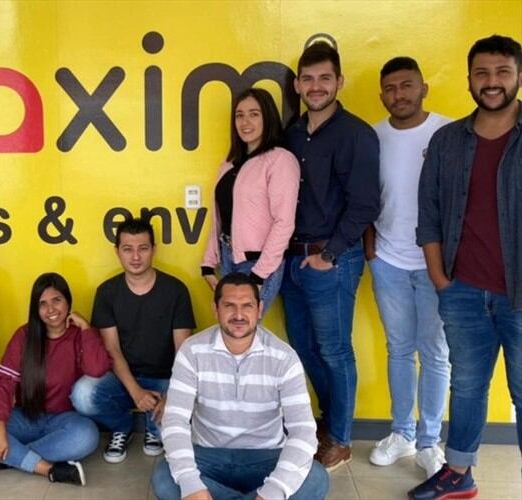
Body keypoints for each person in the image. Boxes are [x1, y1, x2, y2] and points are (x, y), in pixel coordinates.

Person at [410, 34, 522, 499]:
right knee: (468, 385)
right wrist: (441, 279)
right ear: (470, 79)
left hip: (519, 295)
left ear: (518, 76)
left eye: (502, 72)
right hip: (463, 290)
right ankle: (458, 474)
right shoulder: (447, 141)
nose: (491, 82)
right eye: (482, 73)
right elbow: (429, 213)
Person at [281, 41, 380, 470]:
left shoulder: (357, 134)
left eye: (325, 78)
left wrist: (331, 254)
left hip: (332, 260)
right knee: (304, 347)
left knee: (335, 350)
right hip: (292, 260)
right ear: (298, 85)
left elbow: (365, 204)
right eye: (308, 79)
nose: (316, 86)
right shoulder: (290, 133)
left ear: (339, 81)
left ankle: (340, 438)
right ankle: (329, 420)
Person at [152, 273, 328, 500]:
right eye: (229, 306)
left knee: (316, 477)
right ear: (216, 309)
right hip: (207, 455)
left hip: (266, 456)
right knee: (164, 478)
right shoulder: (191, 351)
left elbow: (303, 430)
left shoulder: (284, 357)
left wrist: (273, 492)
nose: (238, 315)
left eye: (247, 306)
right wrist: (191, 483)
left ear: (259, 309)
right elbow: (175, 420)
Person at [363, 57, 452, 479]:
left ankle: (430, 442)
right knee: (399, 349)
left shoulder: (448, 133)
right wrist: (371, 252)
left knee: (435, 352)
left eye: (406, 85)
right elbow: (366, 197)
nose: (398, 95)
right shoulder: (373, 137)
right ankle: (402, 433)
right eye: (390, 88)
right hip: (389, 261)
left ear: (423, 88)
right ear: (382, 94)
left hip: (438, 265)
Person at [0, 273, 111, 486]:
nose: (51, 309)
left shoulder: (80, 335)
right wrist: (0, 429)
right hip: (26, 418)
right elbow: (5, 383)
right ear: (36, 309)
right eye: (43, 304)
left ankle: (4, 459)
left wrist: (86, 328)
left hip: (65, 421)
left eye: (57, 300)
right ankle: (47, 469)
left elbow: (97, 369)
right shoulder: (24, 335)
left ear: (68, 301)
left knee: (86, 436)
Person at [71, 217, 196, 463]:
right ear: (117, 251)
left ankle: (154, 428)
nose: (136, 257)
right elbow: (112, 350)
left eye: (143, 248)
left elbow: (183, 352)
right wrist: (136, 392)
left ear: (154, 250)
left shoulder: (176, 290)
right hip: (122, 379)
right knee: (82, 394)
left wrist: (172, 396)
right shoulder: (107, 292)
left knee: (180, 417)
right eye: (128, 249)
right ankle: (123, 426)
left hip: (165, 379)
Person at [201, 87, 299, 315]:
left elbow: (284, 222)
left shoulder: (280, 160)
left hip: (258, 263)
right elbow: (219, 219)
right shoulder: (229, 164)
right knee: (231, 328)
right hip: (228, 259)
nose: (245, 122)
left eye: (254, 114)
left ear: (268, 117)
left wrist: (259, 274)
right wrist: (208, 263)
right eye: (239, 115)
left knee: (241, 328)